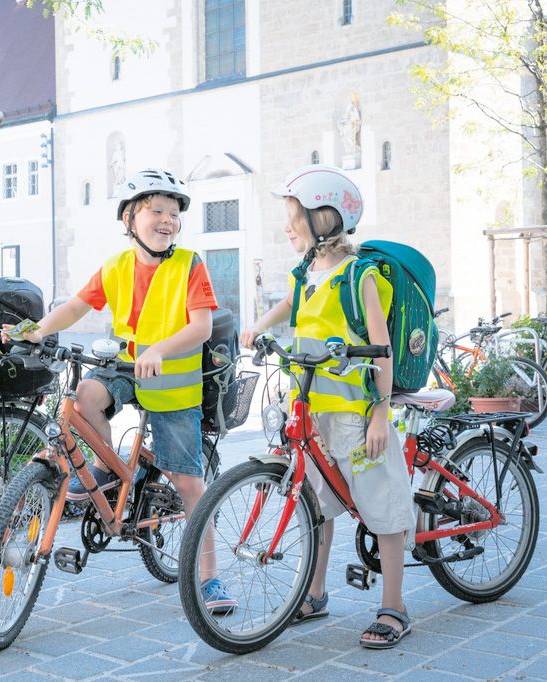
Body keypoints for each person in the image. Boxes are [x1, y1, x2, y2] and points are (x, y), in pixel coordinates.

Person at [8, 168, 236, 614]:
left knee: (188, 481)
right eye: (157, 210)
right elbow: (77, 305)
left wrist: (162, 350)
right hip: (126, 368)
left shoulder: (190, 264)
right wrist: (36, 330)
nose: (167, 219)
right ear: (130, 218)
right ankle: (106, 469)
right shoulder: (116, 266)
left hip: (173, 382)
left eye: (174, 213)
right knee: (86, 396)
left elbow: (201, 326)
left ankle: (209, 577)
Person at [240, 164, 415, 648]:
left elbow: (382, 349)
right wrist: (258, 324)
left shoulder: (359, 275)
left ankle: (394, 606)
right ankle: (314, 593)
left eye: (294, 215)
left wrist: (380, 411)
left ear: (324, 218)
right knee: (317, 504)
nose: (287, 225)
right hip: (311, 413)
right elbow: (291, 305)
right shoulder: (306, 273)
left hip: (356, 416)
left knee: (381, 505)